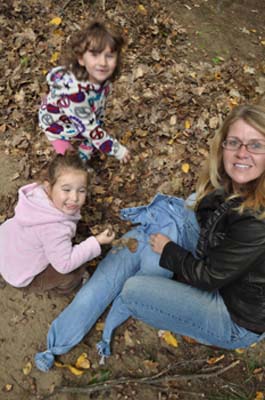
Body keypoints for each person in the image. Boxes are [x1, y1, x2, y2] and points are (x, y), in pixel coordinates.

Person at [35, 104, 265, 371]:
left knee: (134, 290)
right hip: (222, 265)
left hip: (233, 315)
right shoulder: (235, 181)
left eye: (256, 145)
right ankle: (60, 339)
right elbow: (207, 218)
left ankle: (155, 291)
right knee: (170, 218)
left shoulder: (257, 222)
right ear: (222, 145)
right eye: (234, 142)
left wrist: (169, 251)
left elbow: (210, 276)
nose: (242, 153)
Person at [0, 152, 115, 294]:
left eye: (81, 190)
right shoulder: (54, 229)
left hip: (8, 250)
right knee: (73, 271)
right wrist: (96, 242)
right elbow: (64, 265)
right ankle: (68, 288)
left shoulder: (37, 195)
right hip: (21, 275)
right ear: (49, 187)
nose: (74, 197)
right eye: (66, 190)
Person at [38, 21, 130, 164]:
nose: (103, 63)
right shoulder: (75, 95)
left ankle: (86, 144)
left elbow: (96, 106)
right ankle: (76, 161)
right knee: (70, 163)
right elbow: (89, 128)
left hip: (81, 119)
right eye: (95, 55)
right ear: (81, 59)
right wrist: (117, 150)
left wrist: (95, 125)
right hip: (57, 127)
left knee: (90, 137)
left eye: (109, 56)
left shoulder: (103, 79)